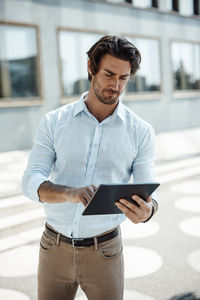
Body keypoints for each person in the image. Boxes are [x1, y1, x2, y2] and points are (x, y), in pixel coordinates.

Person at [22, 35, 158, 300]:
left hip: (105, 251)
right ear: (90, 68)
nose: (115, 85)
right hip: (53, 247)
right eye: (109, 74)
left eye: (123, 78)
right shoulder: (54, 122)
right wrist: (70, 193)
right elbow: (31, 179)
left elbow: (147, 188)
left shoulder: (141, 131)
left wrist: (148, 210)